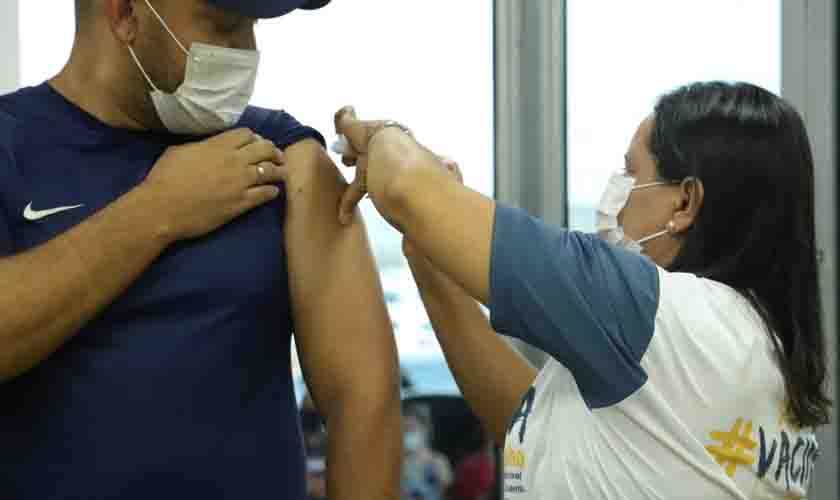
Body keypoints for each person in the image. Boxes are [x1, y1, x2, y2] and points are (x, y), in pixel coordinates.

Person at [325, 81, 831, 499]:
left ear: (685, 201)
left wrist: (385, 138)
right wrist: (430, 259)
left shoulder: (651, 310)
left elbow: (406, 186)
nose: (616, 191)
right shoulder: (751, 343)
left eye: (632, 172)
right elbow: (534, 423)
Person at [0, 1, 402, 499]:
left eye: (251, 28)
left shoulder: (281, 155)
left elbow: (364, 400)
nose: (247, 52)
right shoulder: (11, 145)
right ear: (125, 12)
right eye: (225, 27)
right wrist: (155, 211)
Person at [401, 403, 454, 500]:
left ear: (425, 430)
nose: (407, 433)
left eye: (411, 428)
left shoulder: (439, 461)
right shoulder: (398, 464)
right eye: (404, 430)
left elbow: (446, 490)